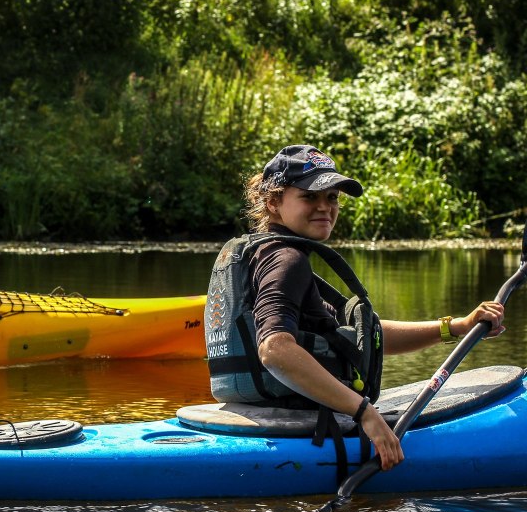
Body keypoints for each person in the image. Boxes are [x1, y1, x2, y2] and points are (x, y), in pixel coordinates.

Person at [209, 145, 505, 472]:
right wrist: (364, 412)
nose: (325, 207)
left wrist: (455, 327)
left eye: (332, 197)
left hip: (257, 411)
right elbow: (274, 349)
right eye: (309, 197)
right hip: (299, 428)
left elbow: (359, 340)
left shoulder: (263, 254)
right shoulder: (287, 260)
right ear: (273, 202)